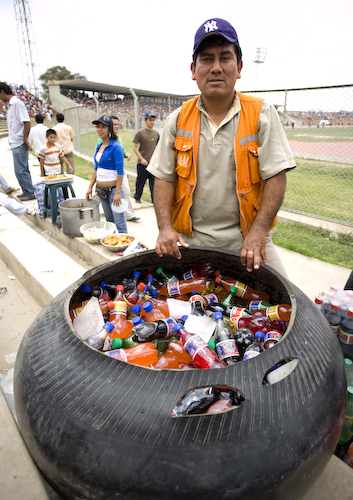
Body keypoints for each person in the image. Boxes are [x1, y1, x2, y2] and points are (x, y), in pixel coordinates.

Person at [147, 18, 296, 276]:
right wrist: (165, 229)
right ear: (193, 70)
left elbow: (276, 176)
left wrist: (259, 233)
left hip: (248, 243)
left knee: (292, 302)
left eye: (224, 58)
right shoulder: (178, 118)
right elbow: (164, 177)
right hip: (188, 242)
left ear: (238, 68)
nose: (216, 68)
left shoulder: (262, 114)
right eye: (207, 59)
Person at [86, 115, 128, 233]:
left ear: (109, 129)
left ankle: (124, 248)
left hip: (114, 190)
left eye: (103, 127)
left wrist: (118, 193)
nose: (99, 130)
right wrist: (90, 186)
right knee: (109, 222)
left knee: (119, 222)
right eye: (98, 127)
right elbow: (96, 168)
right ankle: (114, 244)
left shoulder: (116, 147)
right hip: (101, 191)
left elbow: (120, 171)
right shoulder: (99, 146)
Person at [96, 116, 139, 222]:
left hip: (117, 178)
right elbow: (97, 164)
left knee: (125, 195)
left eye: (117, 124)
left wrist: (117, 192)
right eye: (114, 124)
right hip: (104, 184)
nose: (116, 126)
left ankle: (129, 215)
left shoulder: (116, 143)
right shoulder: (100, 142)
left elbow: (120, 154)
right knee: (109, 219)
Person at [0, 82, 35, 201]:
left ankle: (30, 192)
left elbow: (27, 122)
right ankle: (26, 190)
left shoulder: (17, 103)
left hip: (19, 142)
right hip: (15, 142)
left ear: (2, 92)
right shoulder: (10, 105)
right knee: (19, 170)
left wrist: (25, 138)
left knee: (21, 170)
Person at [133, 112, 159, 203]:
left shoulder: (156, 134)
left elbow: (158, 147)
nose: (152, 122)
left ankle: (154, 200)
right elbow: (135, 148)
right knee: (140, 181)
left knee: (153, 184)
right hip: (142, 163)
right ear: (145, 121)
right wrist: (141, 159)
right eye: (150, 120)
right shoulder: (140, 133)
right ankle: (137, 196)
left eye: (153, 120)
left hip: (153, 164)